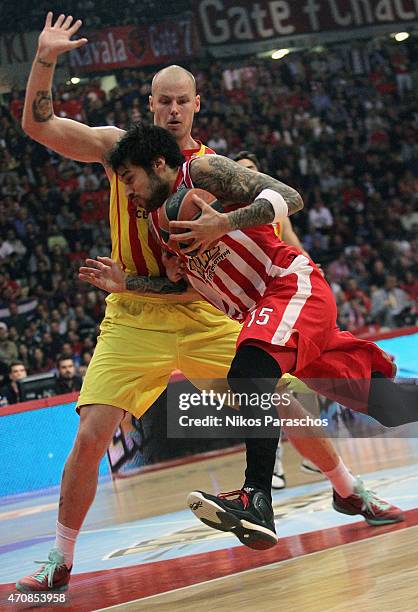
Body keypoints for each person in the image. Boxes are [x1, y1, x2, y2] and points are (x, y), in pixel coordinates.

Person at [16, 12, 257, 592]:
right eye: (163, 102)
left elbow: (195, 277)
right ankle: (60, 559)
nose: (173, 110)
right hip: (132, 319)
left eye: (182, 101)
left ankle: (350, 487)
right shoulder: (116, 149)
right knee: (92, 431)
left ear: (197, 104)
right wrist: (45, 58)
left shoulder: (211, 173)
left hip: (199, 311)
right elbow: (40, 126)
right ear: (151, 106)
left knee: (276, 402)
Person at [91, 124, 412, 544]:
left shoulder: (201, 171)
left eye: (130, 179)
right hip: (266, 314)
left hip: (289, 286)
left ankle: (256, 497)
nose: (127, 191)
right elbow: (187, 287)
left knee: (246, 373)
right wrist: (128, 285)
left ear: (157, 164)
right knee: (387, 405)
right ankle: (312, 495)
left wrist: (225, 222)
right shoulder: (158, 222)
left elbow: (290, 198)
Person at [234, 151, 321, 487]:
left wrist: (314, 277)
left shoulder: (276, 211)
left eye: (253, 170)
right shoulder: (230, 212)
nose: (248, 175)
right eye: (240, 171)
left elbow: (295, 247)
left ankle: (312, 456)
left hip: (282, 297)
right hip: (251, 305)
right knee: (265, 387)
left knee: (298, 382)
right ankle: (274, 466)